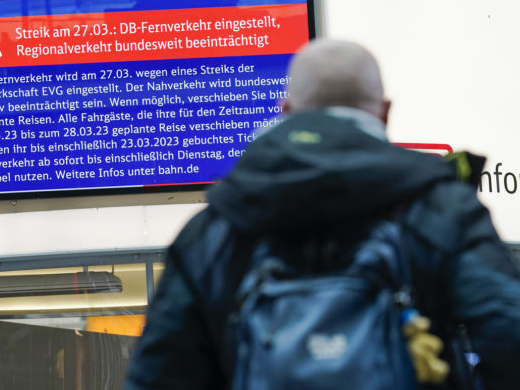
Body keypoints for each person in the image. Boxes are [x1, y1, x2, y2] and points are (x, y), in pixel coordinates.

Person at [124, 40, 520, 389]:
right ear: (384, 112)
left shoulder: (215, 229)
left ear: (286, 110)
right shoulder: (441, 209)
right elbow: (507, 332)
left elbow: (160, 373)